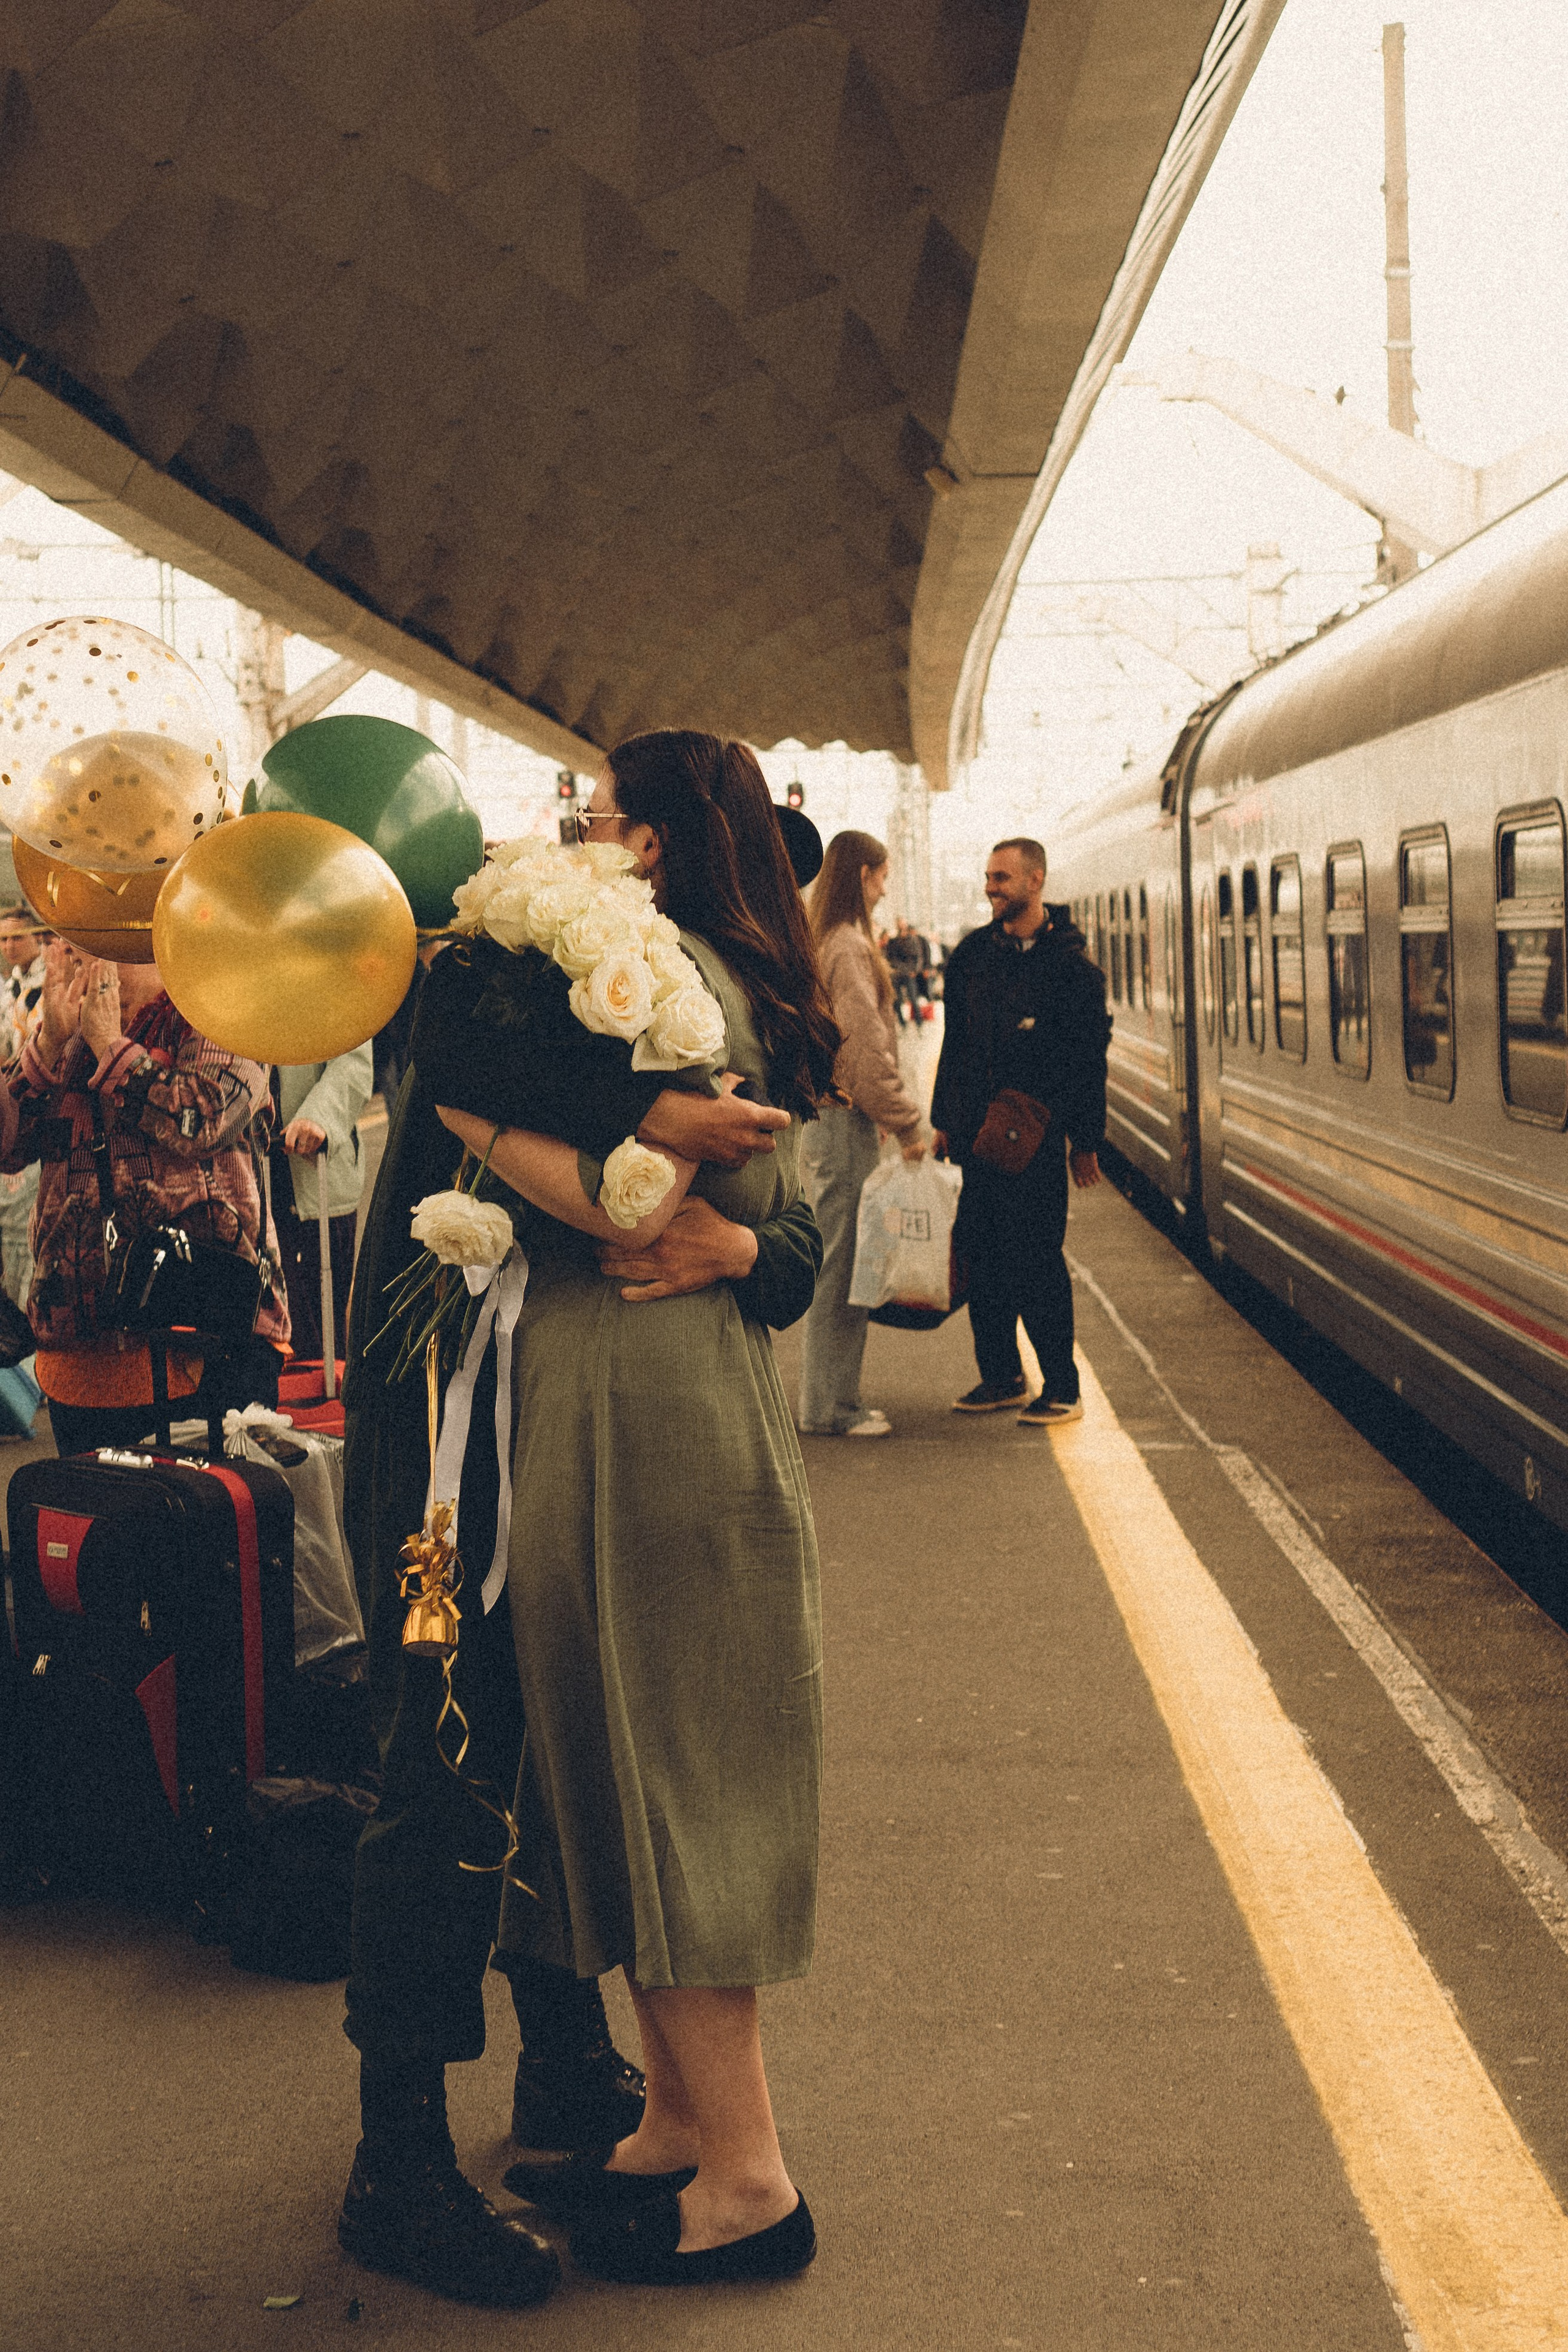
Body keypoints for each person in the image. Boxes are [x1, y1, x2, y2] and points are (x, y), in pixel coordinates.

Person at [337, 781, 829, 2310]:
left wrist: (738, 1233)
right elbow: (473, 1062)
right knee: (440, 1756)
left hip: (554, 1444)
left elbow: (783, 1218)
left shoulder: (632, 991)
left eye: (602, 812)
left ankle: (567, 2071)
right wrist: (658, 1118)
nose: (568, 834)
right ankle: (397, 2156)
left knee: (561, 1763)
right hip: (434, 1473)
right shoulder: (491, 999)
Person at [0, 943, 289, 1455]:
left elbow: (204, 1119)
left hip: (205, 1348)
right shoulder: (67, 1033)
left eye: (89, 941)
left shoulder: (218, 1010)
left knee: (208, 1504)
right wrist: (45, 1050)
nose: (69, 954)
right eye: (69, 942)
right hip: (78, 1361)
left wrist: (111, 1047)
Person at [930, 837, 1108, 1427]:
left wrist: (1085, 1141)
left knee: (1037, 1261)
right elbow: (955, 1045)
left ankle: (1062, 1386)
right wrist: (942, 1120)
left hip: (1036, 1140)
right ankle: (1002, 1375)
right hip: (974, 1135)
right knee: (982, 1256)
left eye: (1001, 878)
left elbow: (1088, 1062)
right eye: (988, 877)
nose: (991, 888)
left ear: (1036, 881)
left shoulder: (1072, 968)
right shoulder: (972, 956)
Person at [798, 829, 925, 1439]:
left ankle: (833, 1398)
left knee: (842, 1261)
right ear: (864, 875)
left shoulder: (828, 938)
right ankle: (830, 1407)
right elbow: (863, 1047)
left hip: (835, 1119)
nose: (884, 890)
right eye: (882, 877)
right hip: (843, 1120)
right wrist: (905, 1122)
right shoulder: (848, 946)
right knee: (844, 1264)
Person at [271, 1046, 373, 1362]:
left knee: (319, 1343)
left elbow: (353, 1060)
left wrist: (319, 1117)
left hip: (314, 1177)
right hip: (240, 1187)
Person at [0, 909, 46, 1307]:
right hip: (10, 1101)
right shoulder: (8, 989)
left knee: (25, 1226)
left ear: (38, 937)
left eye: (17, 937)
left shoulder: (53, 983)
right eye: (3, 940)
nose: (8, 946)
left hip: (36, 1106)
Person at [883, 916, 925, 1025]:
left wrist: (915, 971)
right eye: (899, 923)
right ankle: (902, 1022)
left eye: (903, 923)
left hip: (909, 973)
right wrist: (895, 969)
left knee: (913, 998)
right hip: (898, 973)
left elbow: (919, 957)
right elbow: (891, 957)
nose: (901, 926)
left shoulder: (913, 940)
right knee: (897, 999)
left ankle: (919, 1021)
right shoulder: (894, 941)